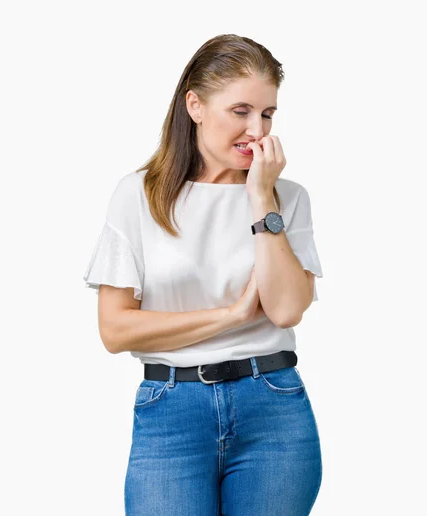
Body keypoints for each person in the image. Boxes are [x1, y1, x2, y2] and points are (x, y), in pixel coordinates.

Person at [83, 34, 324, 516]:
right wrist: (233, 315)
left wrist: (261, 199)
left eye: (268, 113)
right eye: (241, 111)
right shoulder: (138, 196)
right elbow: (115, 329)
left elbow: (286, 309)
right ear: (194, 105)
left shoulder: (287, 197)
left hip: (273, 411)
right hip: (171, 412)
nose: (257, 129)